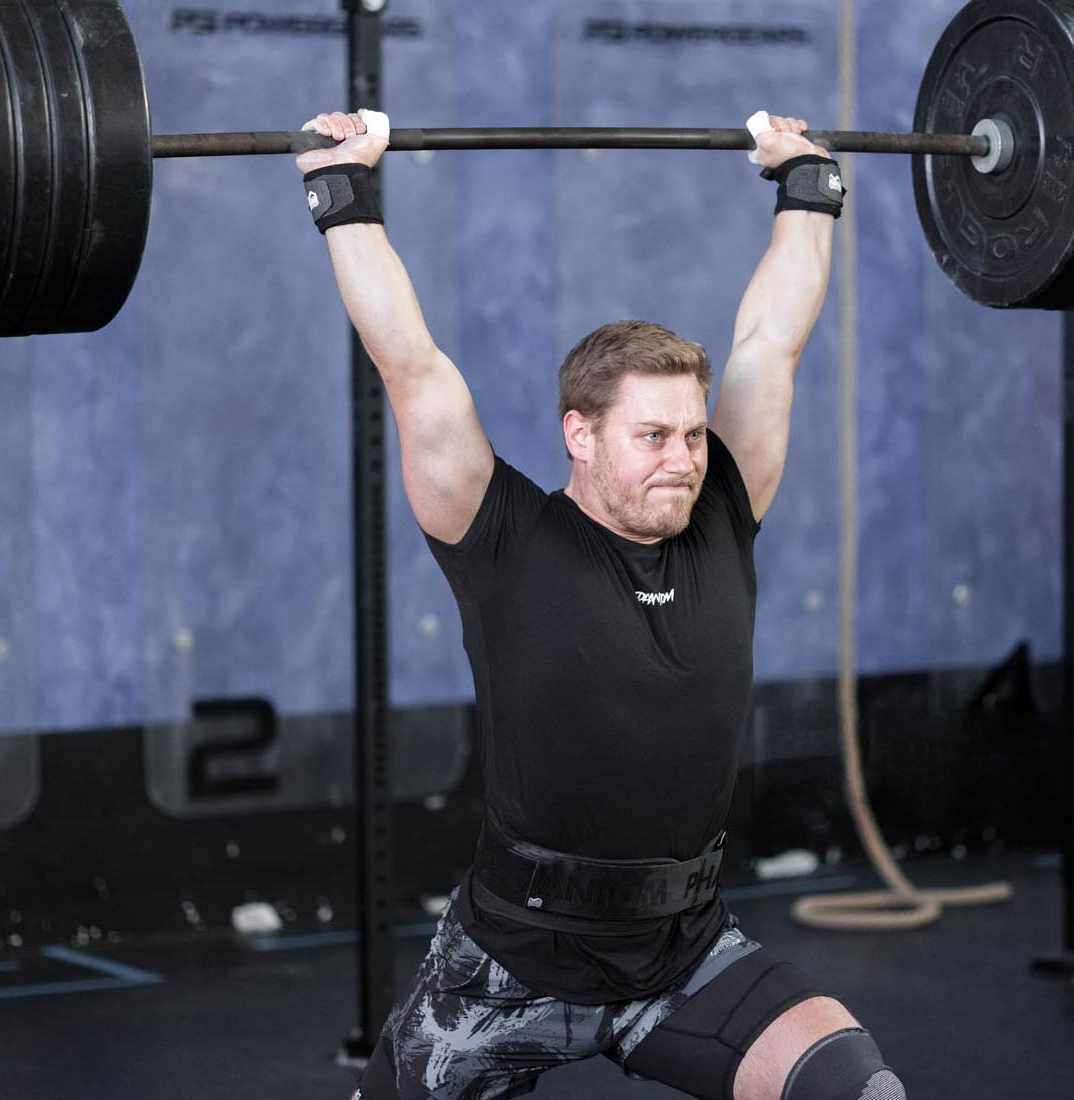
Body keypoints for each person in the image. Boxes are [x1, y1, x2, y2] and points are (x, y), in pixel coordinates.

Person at [296, 108, 902, 1100]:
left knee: (856, 1087)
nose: (683, 458)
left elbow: (772, 338)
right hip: (505, 964)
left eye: (692, 434)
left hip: (682, 952)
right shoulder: (503, 541)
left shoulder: (720, 512)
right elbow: (408, 363)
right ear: (578, 434)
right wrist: (342, 190)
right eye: (652, 435)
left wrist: (805, 181)